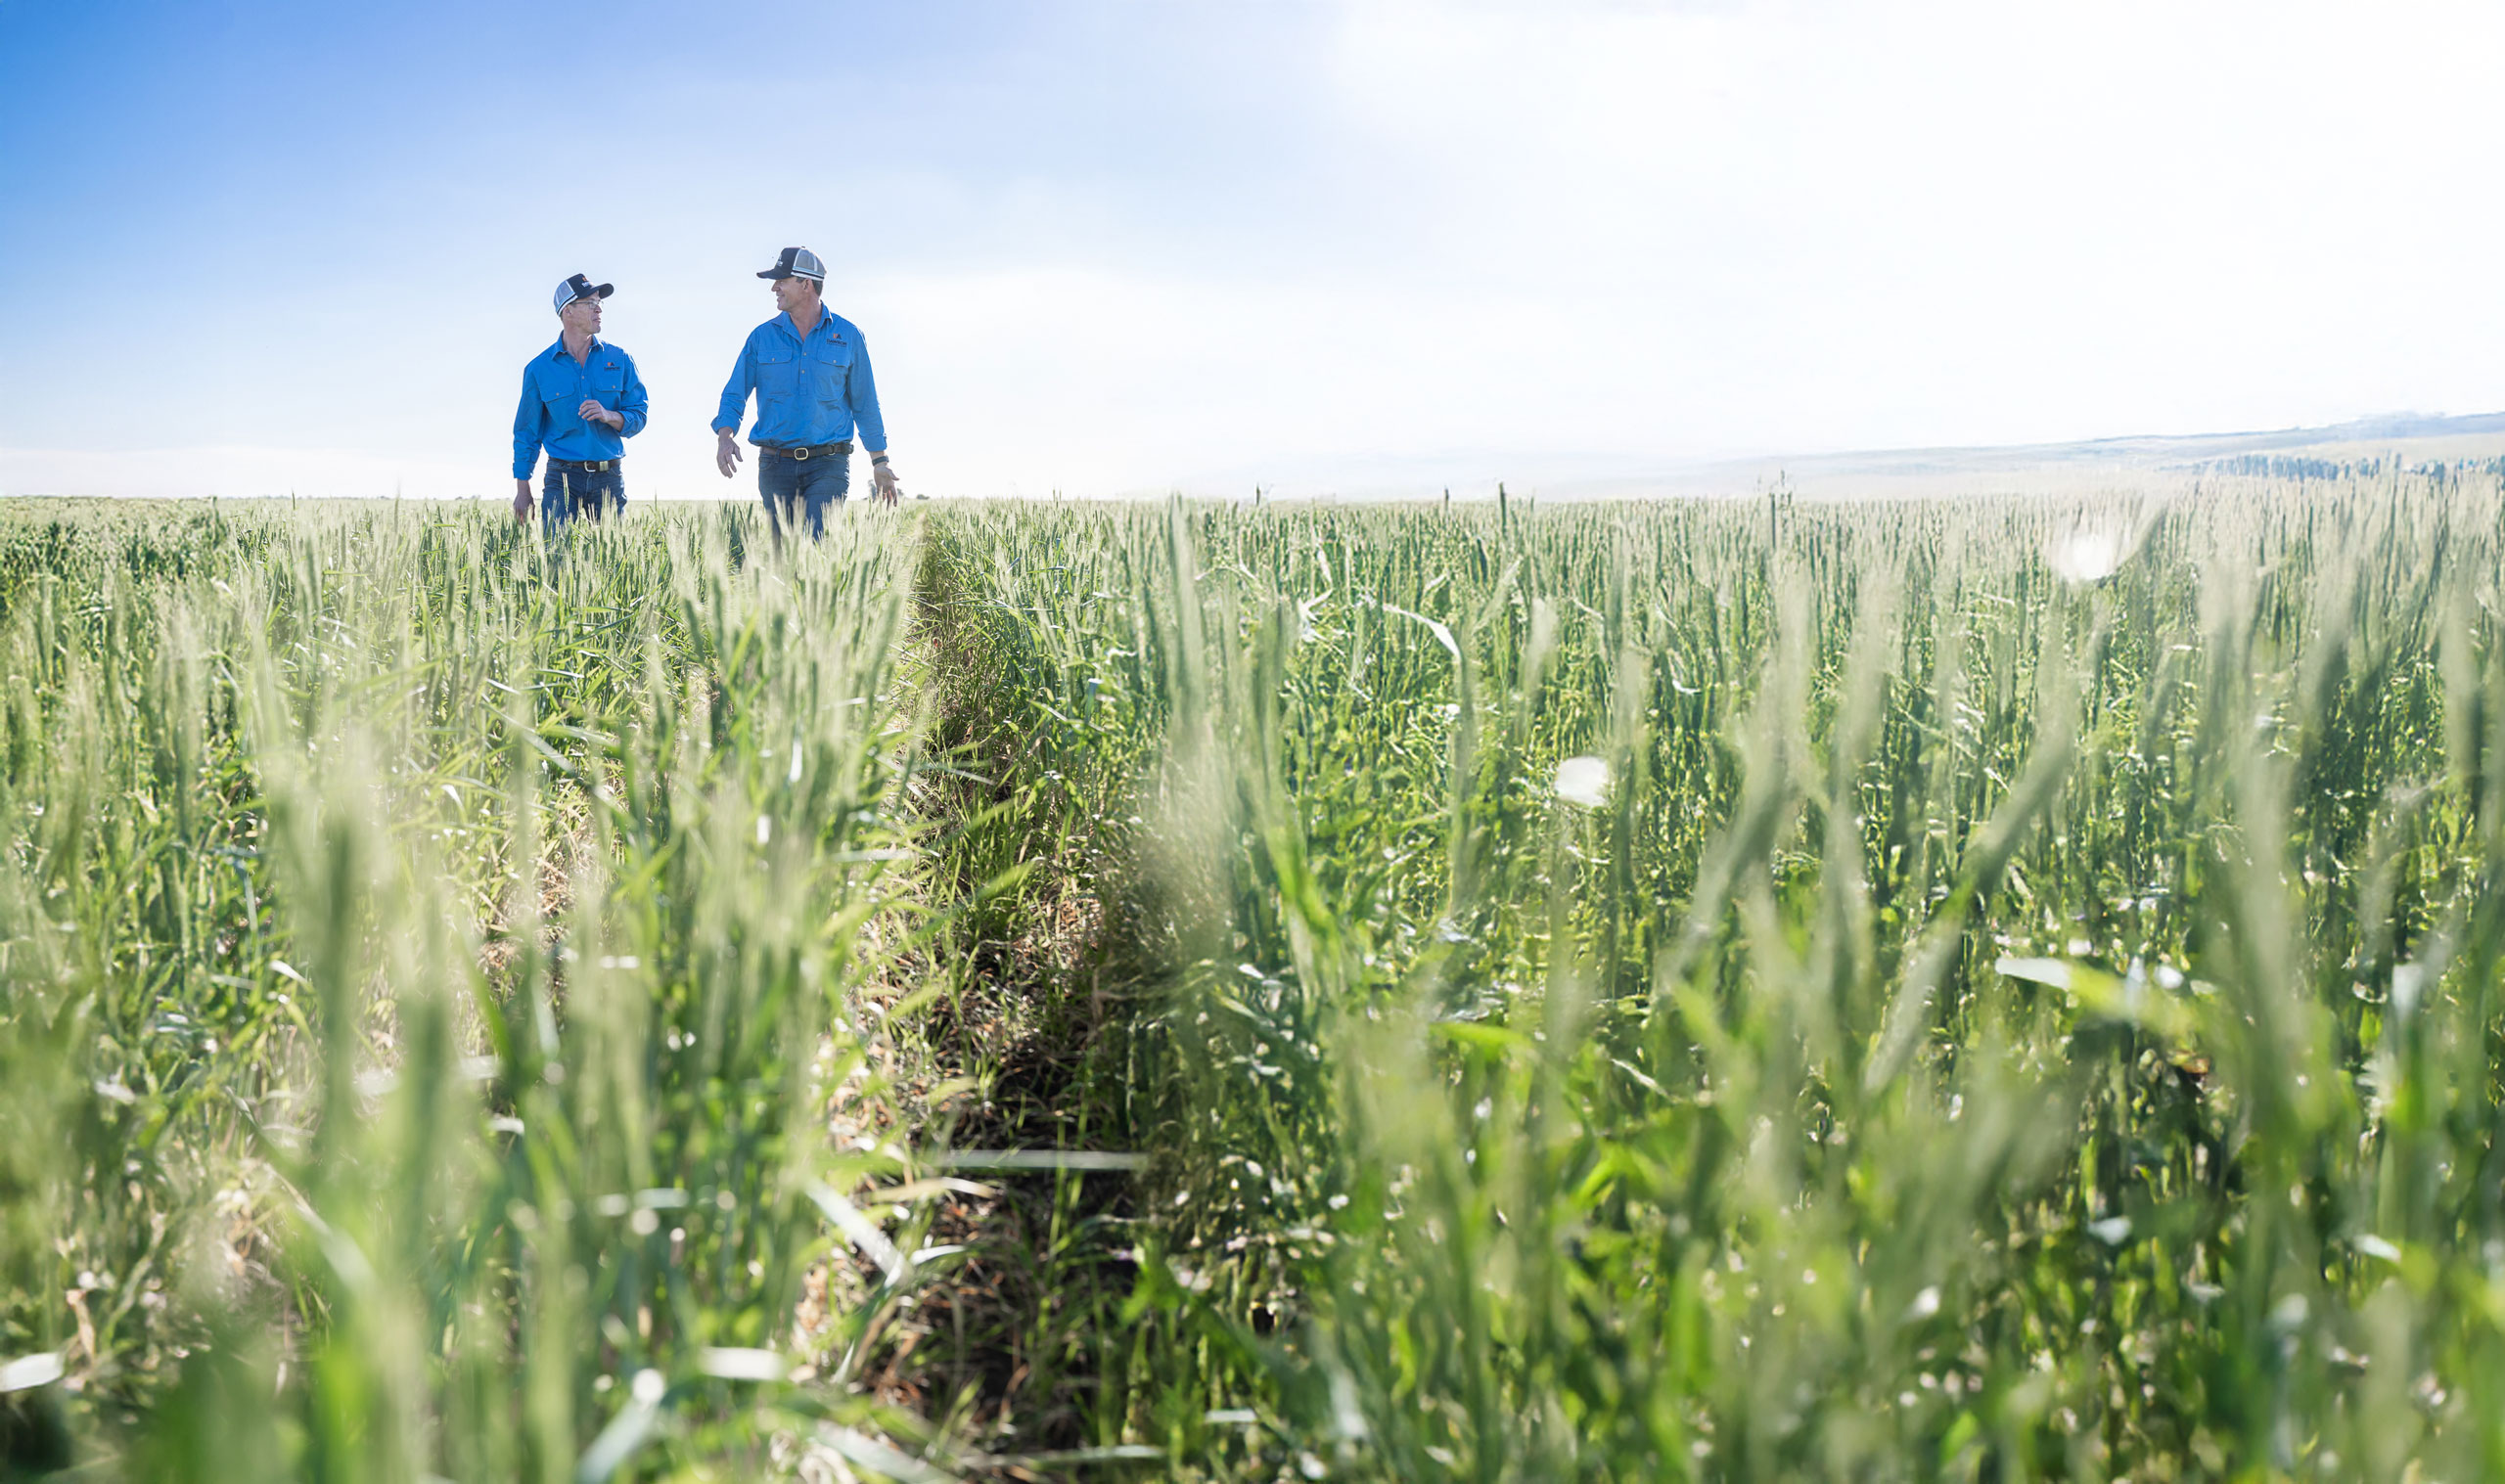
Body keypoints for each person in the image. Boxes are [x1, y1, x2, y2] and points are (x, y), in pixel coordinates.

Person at [712, 247, 899, 543]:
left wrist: (880, 461)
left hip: (829, 464)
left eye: (781, 280)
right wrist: (725, 435)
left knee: (819, 550)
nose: (774, 288)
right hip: (775, 465)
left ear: (806, 284)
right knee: (781, 558)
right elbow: (735, 392)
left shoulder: (849, 336)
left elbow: (865, 403)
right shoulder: (761, 337)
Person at [513, 273, 649, 525]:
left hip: (609, 478)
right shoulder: (538, 369)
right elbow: (526, 433)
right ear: (568, 312)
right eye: (589, 303)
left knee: (612, 562)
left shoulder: (620, 359)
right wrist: (523, 489)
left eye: (599, 302)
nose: (598, 309)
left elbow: (640, 416)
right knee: (556, 558)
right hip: (560, 478)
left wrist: (610, 416)